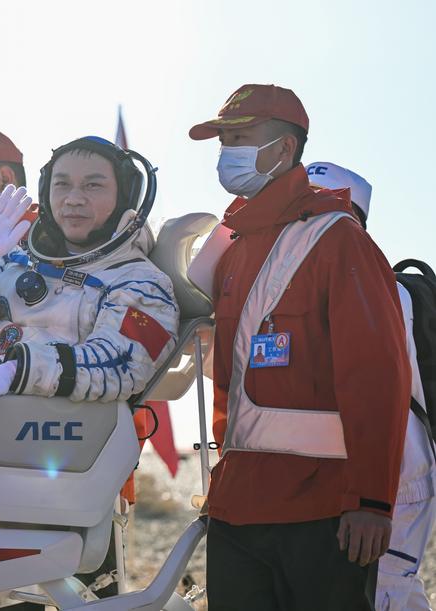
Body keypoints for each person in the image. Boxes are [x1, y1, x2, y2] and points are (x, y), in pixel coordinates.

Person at [189, 85, 411, 610]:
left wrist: (371, 501)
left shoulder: (339, 239)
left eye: (240, 137)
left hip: (327, 513)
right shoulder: (235, 247)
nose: (227, 152)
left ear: (284, 150)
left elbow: (377, 376)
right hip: (237, 506)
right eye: (223, 140)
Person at [0, 135, 178, 440]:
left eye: (92, 185)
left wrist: (15, 372)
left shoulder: (143, 284)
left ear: (125, 196)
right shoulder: (16, 262)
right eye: (61, 185)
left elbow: (121, 365)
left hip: (52, 444)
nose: (73, 199)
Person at [307, 160, 436, 610]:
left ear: (355, 223)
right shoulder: (301, 283)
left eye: (321, 210)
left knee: (385, 594)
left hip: (393, 476)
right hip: (351, 476)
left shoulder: (376, 287)